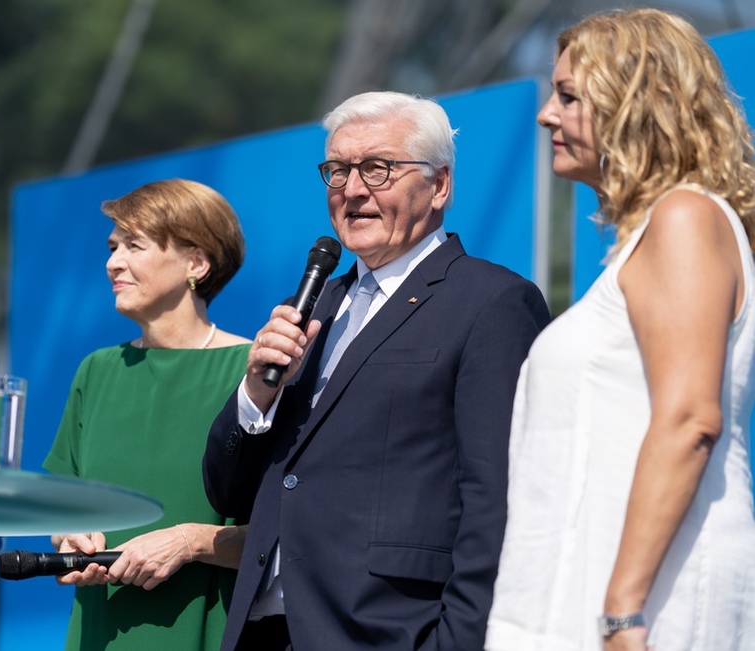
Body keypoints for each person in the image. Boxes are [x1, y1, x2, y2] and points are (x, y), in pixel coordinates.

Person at [202, 90, 551, 650]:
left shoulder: (491, 302)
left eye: (378, 168)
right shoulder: (314, 306)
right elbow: (227, 494)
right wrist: (256, 395)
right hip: (268, 632)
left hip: (391, 632)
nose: (353, 189)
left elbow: (498, 500)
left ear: (439, 185)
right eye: (338, 171)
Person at [485, 9, 755, 651]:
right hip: (581, 592)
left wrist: (622, 612)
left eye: (570, 96)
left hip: (642, 600)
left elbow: (691, 419)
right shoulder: (652, 238)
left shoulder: (685, 218)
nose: (547, 113)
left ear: (639, 106)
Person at [44, 178, 252, 650]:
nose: (112, 262)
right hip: (100, 633)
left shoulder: (254, 373)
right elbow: (62, 506)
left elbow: (289, 534)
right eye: (113, 246)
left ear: (196, 263)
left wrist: (190, 542)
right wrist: (69, 539)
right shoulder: (96, 371)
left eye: (133, 245)